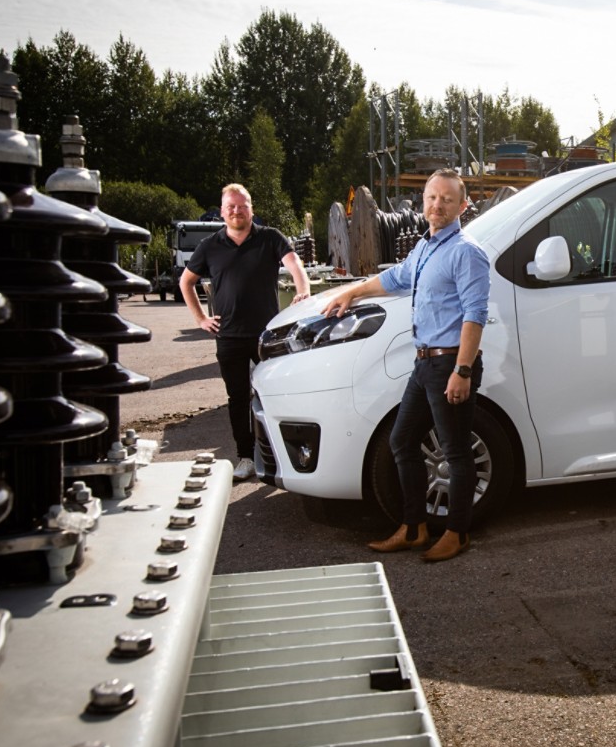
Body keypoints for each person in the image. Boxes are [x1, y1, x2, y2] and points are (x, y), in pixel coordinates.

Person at [322, 168, 490, 562]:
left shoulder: (466, 251)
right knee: (401, 440)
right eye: (432, 197)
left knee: (455, 453)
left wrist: (462, 371)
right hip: (424, 364)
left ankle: (457, 533)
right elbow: (396, 278)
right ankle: (414, 527)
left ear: (463, 206)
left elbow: (475, 314)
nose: (438, 205)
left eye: (447, 199)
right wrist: (352, 291)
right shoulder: (426, 247)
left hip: (450, 363)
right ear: (423, 201)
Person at [181, 183, 310, 481]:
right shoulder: (210, 246)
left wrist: (303, 290)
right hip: (229, 337)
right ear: (223, 211)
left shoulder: (270, 238)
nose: (237, 211)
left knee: (278, 394)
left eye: (242, 206)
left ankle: (287, 456)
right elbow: (186, 282)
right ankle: (245, 456)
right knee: (237, 398)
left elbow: (295, 264)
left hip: (267, 336)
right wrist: (200, 318)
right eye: (231, 207)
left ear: (251, 208)